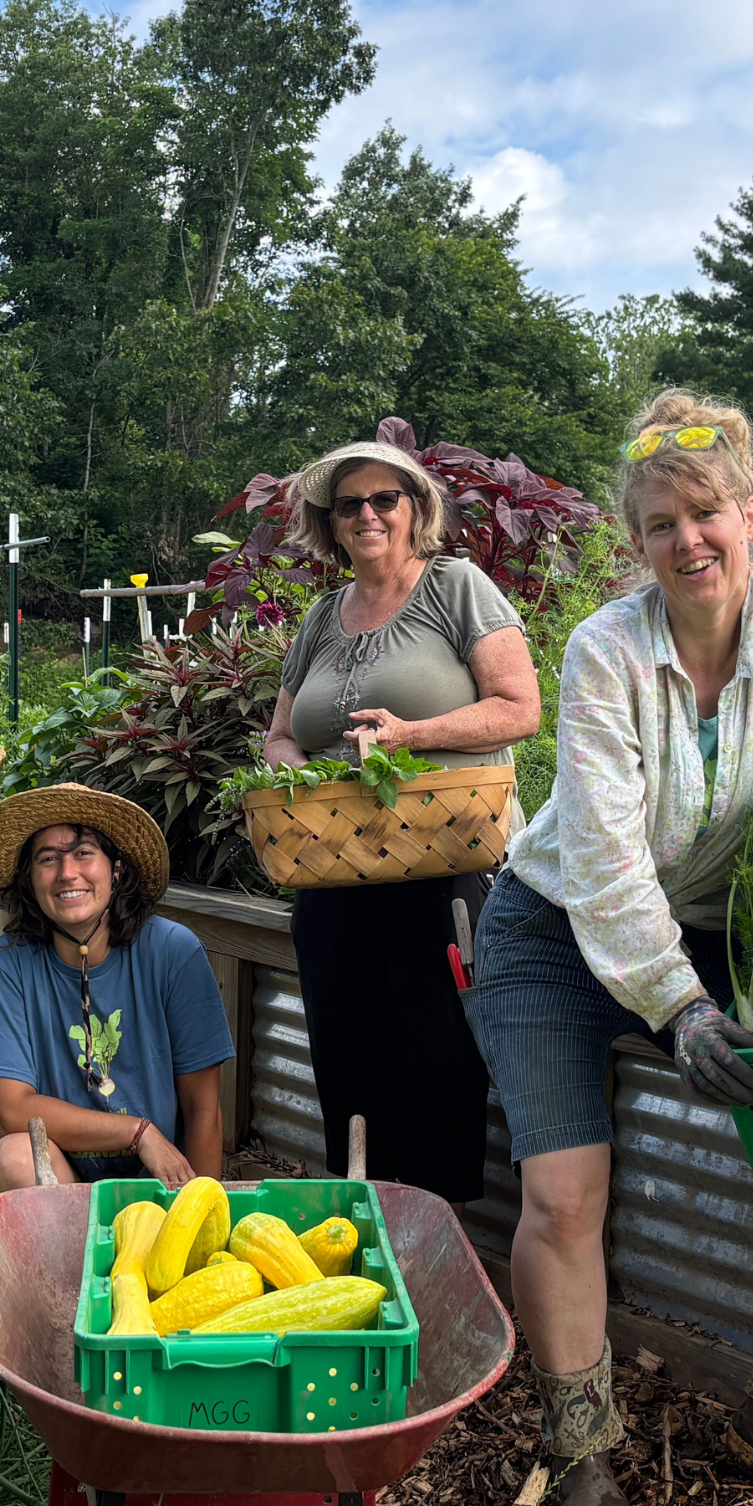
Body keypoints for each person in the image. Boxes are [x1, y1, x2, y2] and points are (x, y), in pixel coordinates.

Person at [471, 389, 753, 1506]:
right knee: (565, 1190)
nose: (687, 540)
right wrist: (681, 1008)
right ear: (639, 542)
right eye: (661, 523)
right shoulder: (606, 647)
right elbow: (607, 863)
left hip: (721, 931)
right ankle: (580, 1450)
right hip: (557, 928)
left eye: (706, 511)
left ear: (751, 513)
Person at [262, 439, 542, 1205]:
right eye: (348, 504)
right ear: (330, 522)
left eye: (384, 498)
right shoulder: (323, 616)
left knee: (437, 1050)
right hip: (332, 866)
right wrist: (288, 763)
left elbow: (519, 709)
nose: (366, 514)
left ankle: (434, 1233)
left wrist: (411, 735)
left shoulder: (456, 588)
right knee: (344, 1048)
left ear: (415, 508)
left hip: (441, 861)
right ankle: (358, 1216)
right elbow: (282, 731)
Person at [0, 785, 231, 1192]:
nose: (68, 873)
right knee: (14, 1159)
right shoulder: (9, 963)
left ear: (116, 869)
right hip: (55, 1181)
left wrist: (204, 1214)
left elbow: (202, 1107)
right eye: (48, 859)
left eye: (84, 853)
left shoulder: (174, 952)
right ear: (29, 882)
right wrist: (136, 1132)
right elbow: (13, 1111)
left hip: (155, 1184)